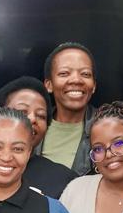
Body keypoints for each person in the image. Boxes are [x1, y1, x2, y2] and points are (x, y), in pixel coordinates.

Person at [40, 42, 99, 174]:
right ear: (49, 85)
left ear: (94, 85)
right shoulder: (33, 127)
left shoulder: (108, 128)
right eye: (64, 73)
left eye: (85, 74)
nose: (76, 80)